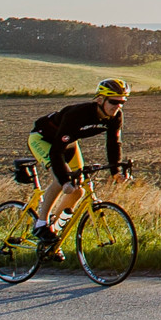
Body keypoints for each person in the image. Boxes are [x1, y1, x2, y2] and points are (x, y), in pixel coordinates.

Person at [29, 78, 129, 255]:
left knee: (79, 190)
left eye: (122, 102)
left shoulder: (116, 116)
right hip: (44, 140)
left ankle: (53, 230)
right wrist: (65, 180)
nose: (117, 106)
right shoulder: (77, 114)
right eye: (113, 101)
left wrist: (115, 172)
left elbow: (113, 143)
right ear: (100, 100)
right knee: (62, 181)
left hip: (69, 144)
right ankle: (41, 224)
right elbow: (56, 152)